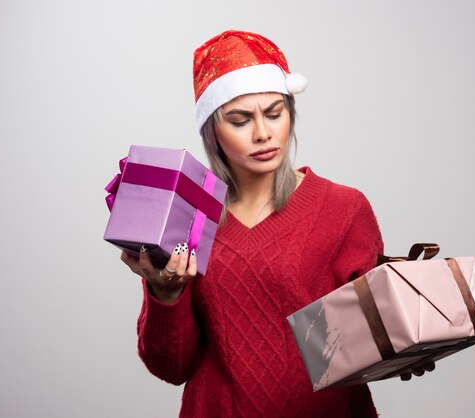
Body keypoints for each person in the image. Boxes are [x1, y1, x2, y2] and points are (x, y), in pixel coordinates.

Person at [121, 30, 386, 417]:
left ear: (290, 114)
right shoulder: (189, 218)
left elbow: (371, 340)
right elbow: (171, 368)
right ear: (212, 131)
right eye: (241, 120)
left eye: (275, 113)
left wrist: (410, 347)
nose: (263, 133)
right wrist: (166, 295)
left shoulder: (343, 209)